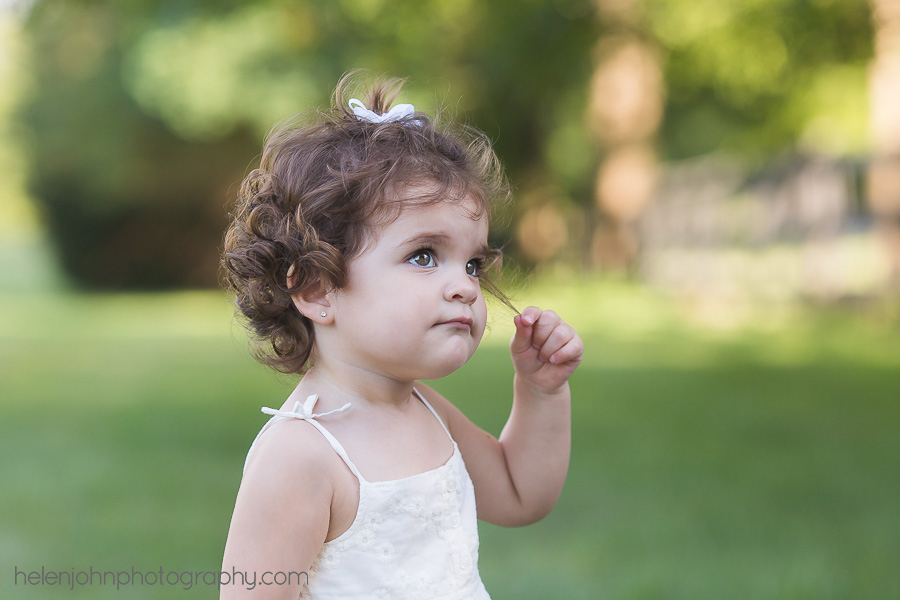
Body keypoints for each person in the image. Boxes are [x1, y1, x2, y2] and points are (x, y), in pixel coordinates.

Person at [219, 73, 583, 599]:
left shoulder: (425, 410)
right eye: (424, 256)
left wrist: (542, 392)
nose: (462, 285)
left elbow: (520, 494)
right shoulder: (301, 454)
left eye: (473, 263)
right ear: (319, 288)